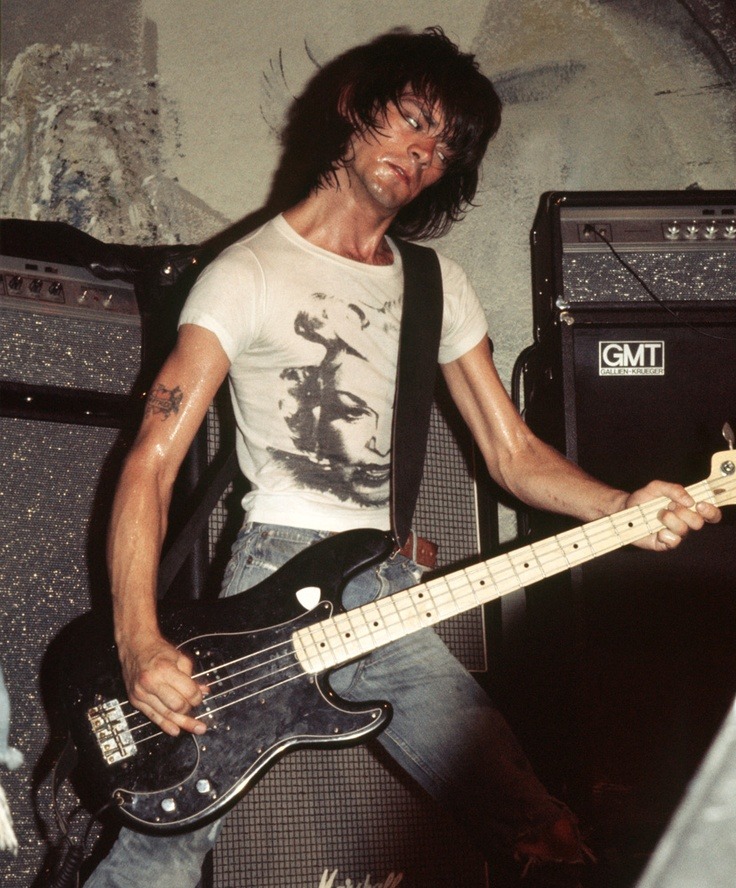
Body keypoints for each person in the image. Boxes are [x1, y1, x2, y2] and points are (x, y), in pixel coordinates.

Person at [85, 27, 720, 888]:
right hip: (271, 576)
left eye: (443, 145)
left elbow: (511, 450)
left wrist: (622, 508)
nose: (422, 152)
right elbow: (149, 465)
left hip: (383, 591)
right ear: (353, 109)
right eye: (411, 120)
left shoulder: (436, 285)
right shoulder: (247, 272)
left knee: (534, 828)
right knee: (173, 835)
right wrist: (137, 642)